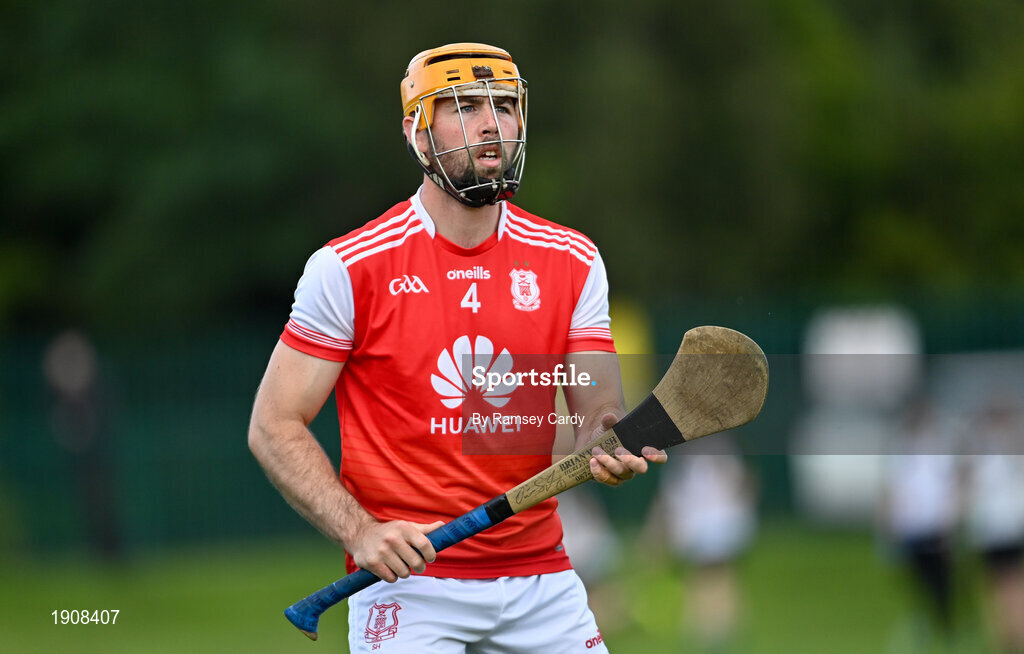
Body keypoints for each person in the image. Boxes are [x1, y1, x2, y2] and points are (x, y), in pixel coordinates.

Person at [248, 42, 667, 653]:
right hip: (408, 585)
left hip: (540, 580)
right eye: (466, 107)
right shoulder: (349, 268)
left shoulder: (571, 260)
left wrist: (605, 441)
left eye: (504, 105)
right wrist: (361, 533)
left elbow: (591, 413)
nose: (492, 123)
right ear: (418, 134)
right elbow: (273, 425)